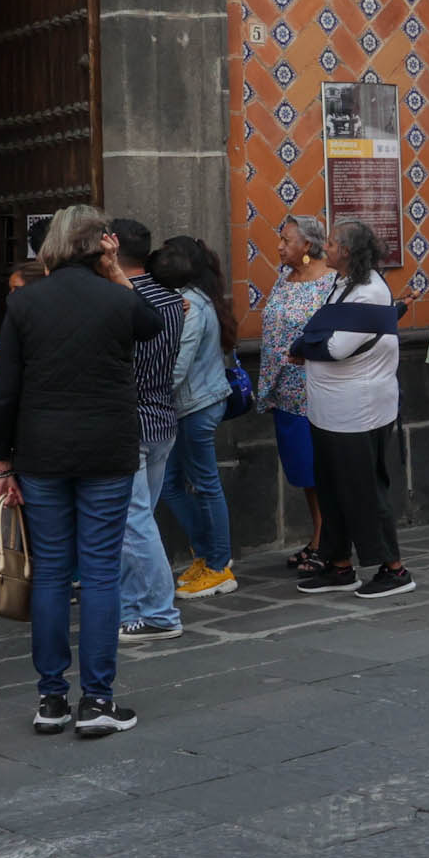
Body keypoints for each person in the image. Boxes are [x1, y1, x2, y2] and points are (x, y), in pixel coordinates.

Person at [0, 205, 164, 736]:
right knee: (99, 573)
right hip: (106, 450)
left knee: (49, 573)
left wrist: (2, 462)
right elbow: (152, 326)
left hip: (41, 452)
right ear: (99, 245)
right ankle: (97, 701)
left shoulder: (24, 302)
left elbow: (6, 389)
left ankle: (50, 699)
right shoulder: (117, 297)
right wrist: (115, 271)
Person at [289, 219, 413, 596]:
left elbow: (335, 347)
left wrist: (300, 347)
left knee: (364, 490)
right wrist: (309, 341)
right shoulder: (345, 284)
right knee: (332, 489)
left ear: (348, 251)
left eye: (331, 242)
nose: (324, 246)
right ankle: (339, 565)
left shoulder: (369, 292)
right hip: (329, 409)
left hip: (358, 410)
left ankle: (394, 570)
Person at [107, 218, 188, 643]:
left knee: (134, 521)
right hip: (162, 417)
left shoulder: (117, 298)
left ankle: (160, 611)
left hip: (128, 420)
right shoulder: (174, 300)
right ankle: (133, 607)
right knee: (138, 521)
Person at [153, 235, 240, 595]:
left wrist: (149, 392)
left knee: (204, 485)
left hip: (196, 405)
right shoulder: (198, 299)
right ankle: (207, 555)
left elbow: (179, 365)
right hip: (190, 405)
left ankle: (219, 566)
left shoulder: (191, 304)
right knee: (172, 485)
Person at [257, 216, 335, 572]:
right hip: (284, 393)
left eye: (286, 240)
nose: (279, 246)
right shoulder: (284, 280)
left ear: (307, 245)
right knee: (304, 473)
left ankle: (326, 541)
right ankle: (318, 535)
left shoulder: (330, 284)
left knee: (322, 472)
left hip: (315, 394)